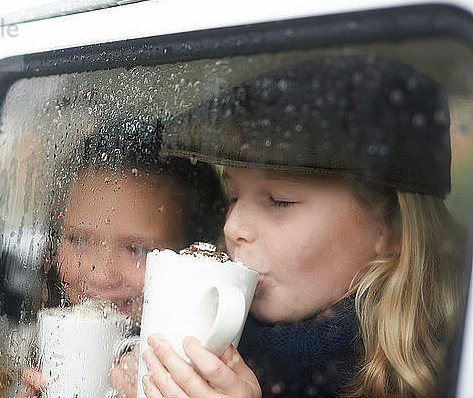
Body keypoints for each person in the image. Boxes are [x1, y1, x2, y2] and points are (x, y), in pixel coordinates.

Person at [136, 56, 467, 398]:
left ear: (389, 229)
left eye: (280, 201)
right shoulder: (196, 330)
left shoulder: (448, 369)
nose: (233, 226)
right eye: (233, 196)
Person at [15, 117, 226, 397]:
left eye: (137, 249)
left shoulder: (222, 377)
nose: (101, 274)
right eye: (79, 240)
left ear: (195, 257)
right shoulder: (24, 349)